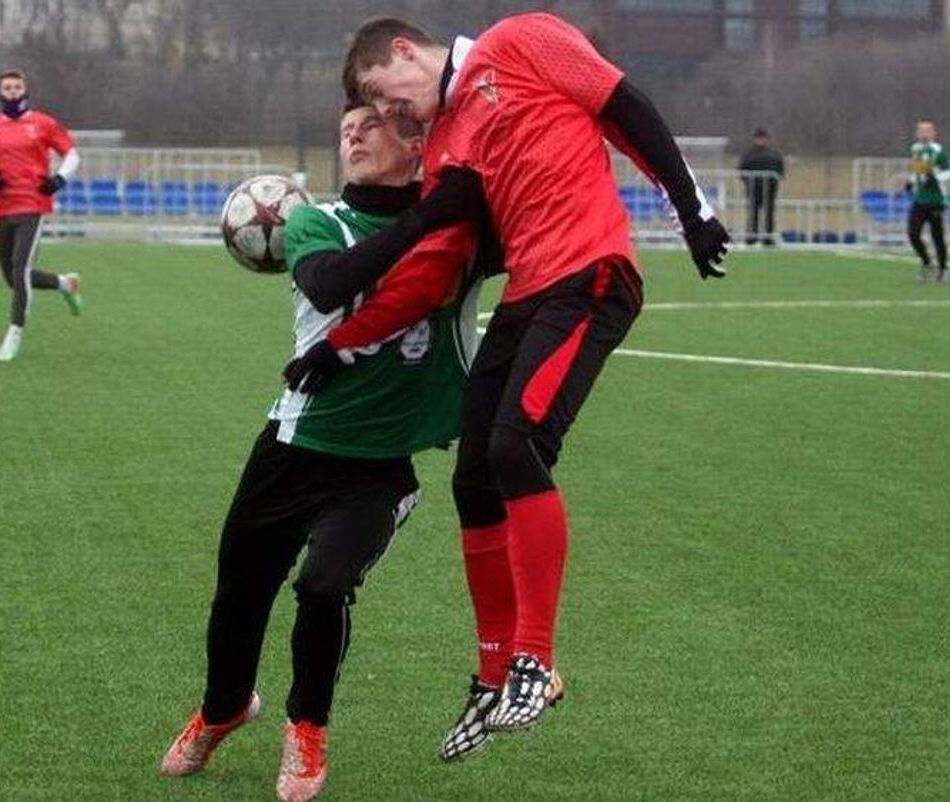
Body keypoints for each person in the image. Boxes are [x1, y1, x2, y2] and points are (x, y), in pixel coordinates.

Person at [282, 13, 731, 757]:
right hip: (530, 294)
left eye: (383, 93)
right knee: (475, 477)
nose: (389, 112)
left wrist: (692, 209)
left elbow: (625, 109)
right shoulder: (447, 143)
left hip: (591, 275)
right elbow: (433, 272)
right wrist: (344, 341)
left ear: (404, 51)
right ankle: (492, 676)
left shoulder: (521, 40)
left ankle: (535, 661)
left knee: (517, 446)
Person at [159, 104, 489, 802]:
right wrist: (426, 218)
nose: (353, 135)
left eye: (372, 124)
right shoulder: (315, 221)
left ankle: (306, 728)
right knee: (240, 593)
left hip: (377, 468)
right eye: (347, 129)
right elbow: (329, 284)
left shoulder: (460, 232)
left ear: (417, 143)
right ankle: (223, 709)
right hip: (291, 448)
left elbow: (535, 237)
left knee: (324, 586)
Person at [0, 69, 83, 362]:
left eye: (17, 87)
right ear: (0, 92)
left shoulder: (43, 123)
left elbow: (72, 154)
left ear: (25, 90)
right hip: (1, 206)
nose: (12, 92)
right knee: (12, 277)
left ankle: (13, 335)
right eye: (7, 87)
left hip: (32, 204)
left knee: (20, 269)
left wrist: (58, 180)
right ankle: (64, 283)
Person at [905, 119, 949, 283]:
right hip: (919, 199)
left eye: (927, 131)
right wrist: (910, 181)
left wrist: (934, 176)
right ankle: (927, 262)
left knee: (937, 236)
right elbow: (917, 171)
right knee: (913, 233)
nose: (924, 134)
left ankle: (943, 269)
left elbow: (947, 173)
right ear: (917, 133)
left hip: (935, 200)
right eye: (921, 131)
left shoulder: (939, 151)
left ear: (933, 133)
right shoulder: (916, 149)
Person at [738, 127, 784, 246]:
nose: (761, 141)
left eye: (763, 138)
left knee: (769, 213)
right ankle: (752, 237)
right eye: (759, 138)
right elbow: (742, 171)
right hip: (754, 189)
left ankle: (768, 237)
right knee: (753, 213)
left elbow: (780, 170)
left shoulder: (773, 155)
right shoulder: (749, 155)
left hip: (769, 189)